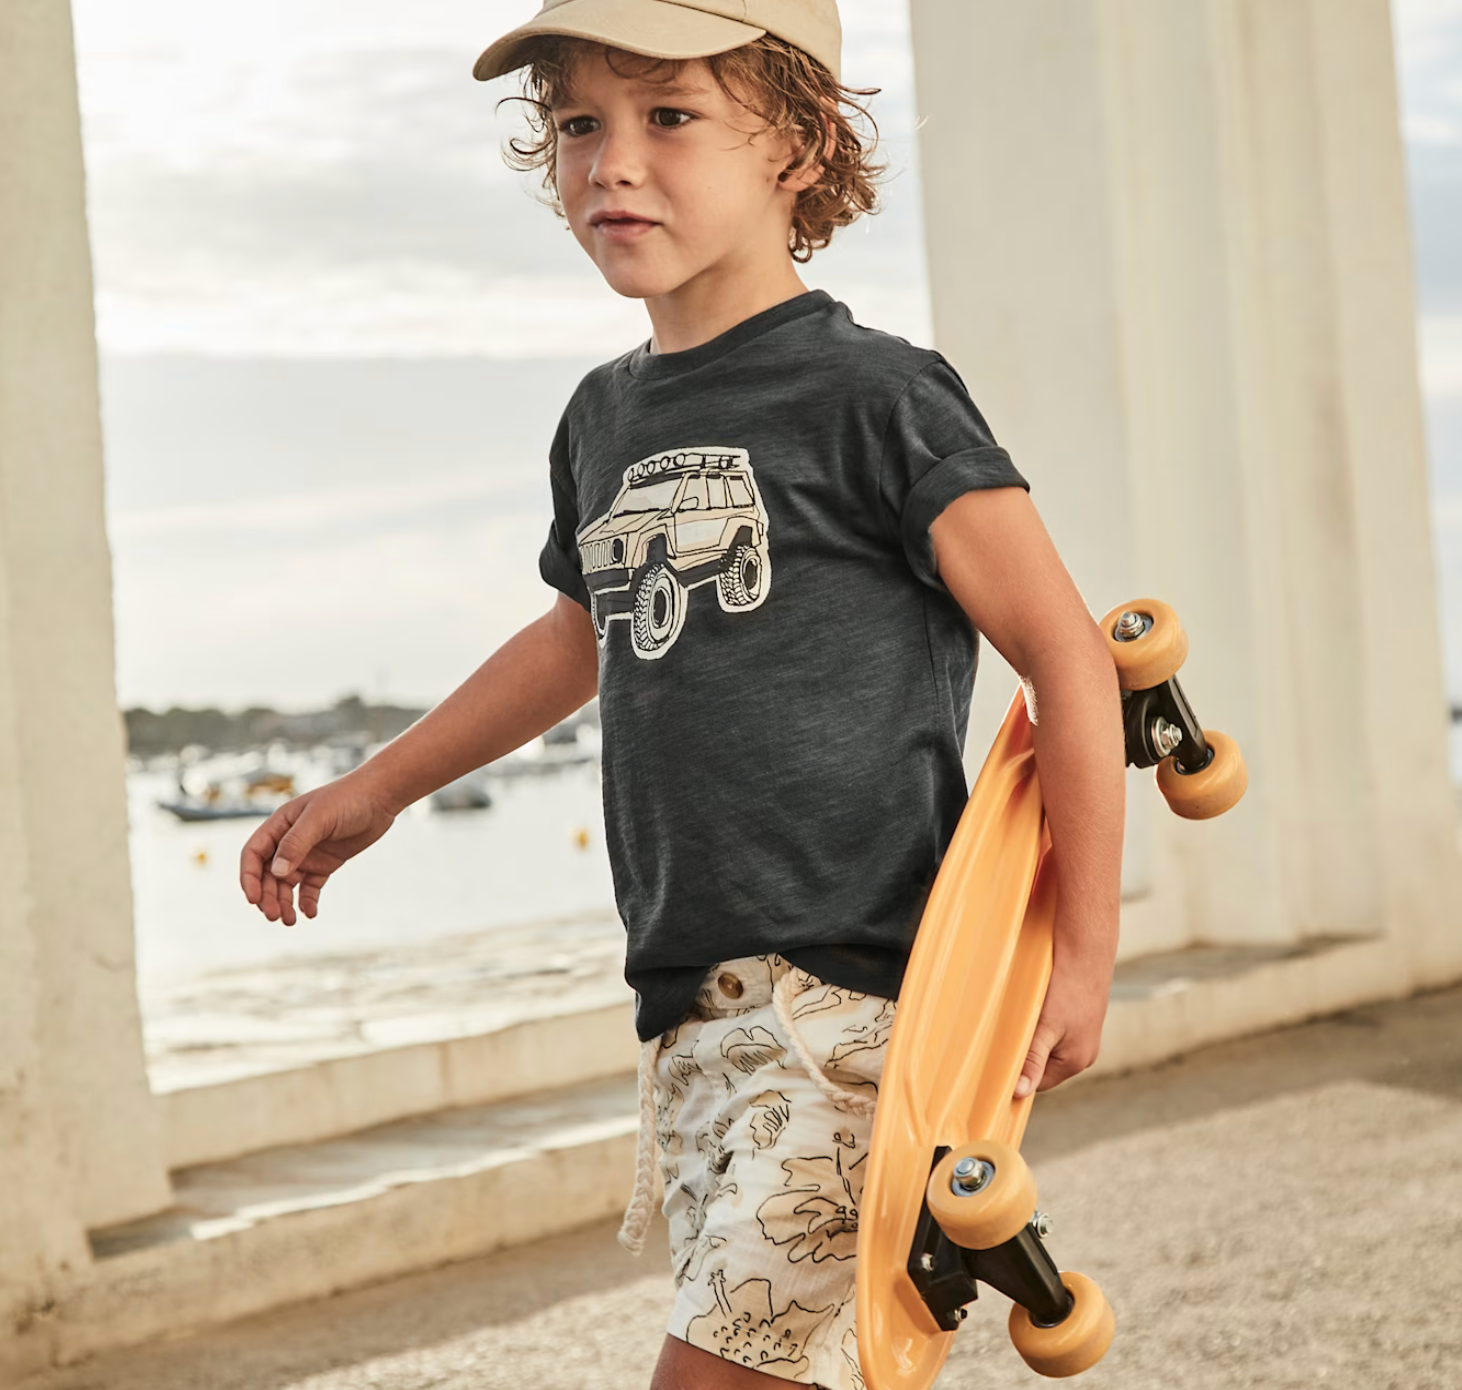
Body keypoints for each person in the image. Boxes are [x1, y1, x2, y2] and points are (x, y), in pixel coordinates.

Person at [238, 2, 1125, 1386]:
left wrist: (1073, 959)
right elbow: (576, 635)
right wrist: (378, 785)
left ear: (800, 143)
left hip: (858, 1006)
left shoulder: (875, 395)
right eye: (579, 124)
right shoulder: (603, 418)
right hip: (693, 1016)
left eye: (668, 117)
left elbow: (1067, 656)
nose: (612, 163)